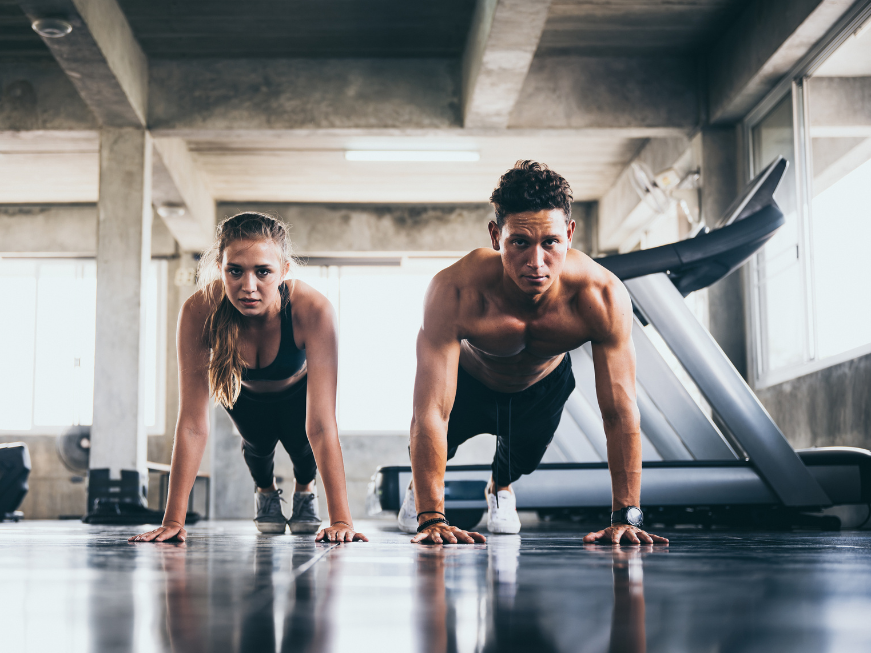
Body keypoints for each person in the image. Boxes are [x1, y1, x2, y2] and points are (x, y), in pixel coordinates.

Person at [401, 161, 669, 546]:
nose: (536, 262)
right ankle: (419, 493)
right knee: (427, 444)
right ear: (497, 236)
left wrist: (626, 516)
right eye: (520, 242)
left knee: (521, 460)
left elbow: (620, 410)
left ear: (570, 234)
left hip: (542, 386)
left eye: (550, 243)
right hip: (471, 380)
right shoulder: (455, 291)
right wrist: (431, 519)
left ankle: (500, 487)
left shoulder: (601, 295)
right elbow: (430, 412)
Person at [130, 212, 366, 543]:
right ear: (221, 268)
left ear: (284, 271)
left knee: (303, 447)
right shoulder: (199, 311)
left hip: (297, 391)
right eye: (235, 271)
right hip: (245, 396)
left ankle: (304, 491)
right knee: (257, 447)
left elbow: (323, 426)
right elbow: (192, 424)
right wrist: (173, 520)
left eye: (263, 272)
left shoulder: (313, 310)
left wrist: (341, 519)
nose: (248, 287)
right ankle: (265, 491)